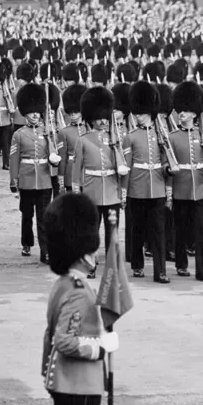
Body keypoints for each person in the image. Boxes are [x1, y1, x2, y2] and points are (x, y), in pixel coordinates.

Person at [41, 192, 119, 405]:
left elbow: (49, 334)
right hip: (78, 383)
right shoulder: (78, 293)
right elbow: (63, 340)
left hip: (65, 381)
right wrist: (100, 348)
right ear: (83, 253)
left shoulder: (64, 284)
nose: (94, 255)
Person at [72, 87, 128, 272]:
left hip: (112, 193)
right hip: (91, 192)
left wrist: (123, 191)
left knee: (112, 231)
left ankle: (112, 265)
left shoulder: (116, 138)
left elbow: (122, 167)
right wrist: (76, 191)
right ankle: (90, 264)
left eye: (105, 117)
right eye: (99, 117)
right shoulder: (83, 140)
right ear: (91, 118)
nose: (103, 121)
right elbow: (77, 167)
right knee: (91, 232)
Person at [124, 81, 170, 284]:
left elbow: (168, 160)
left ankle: (160, 271)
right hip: (137, 188)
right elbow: (126, 167)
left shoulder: (162, 134)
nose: (138, 116)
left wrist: (168, 187)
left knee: (159, 231)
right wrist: (125, 192)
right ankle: (137, 264)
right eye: (136, 113)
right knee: (137, 230)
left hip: (158, 188)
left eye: (141, 112)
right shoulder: (131, 137)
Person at [169, 81, 203, 282]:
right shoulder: (172, 137)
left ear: (195, 113)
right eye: (181, 110)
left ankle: (202, 269)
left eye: (187, 110)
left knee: (201, 232)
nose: (182, 114)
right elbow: (166, 163)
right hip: (181, 188)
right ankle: (181, 264)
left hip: (202, 188)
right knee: (181, 230)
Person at [9, 82, 52, 263]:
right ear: (25, 112)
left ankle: (46, 251)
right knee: (27, 215)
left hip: (44, 179)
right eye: (31, 111)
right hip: (26, 180)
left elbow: (54, 154)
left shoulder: (48, 132)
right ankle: (27, 243)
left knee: (43, 218)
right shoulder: (19, 134)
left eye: (37, 111)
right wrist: (14, 181)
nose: (35, 114)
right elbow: (14, 160)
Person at [58, 84, 87, 192]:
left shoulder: (90, 130)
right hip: (70, 173)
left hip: (88, 174)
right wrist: (61, 180)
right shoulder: (64, 132)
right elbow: (62, 159)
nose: (73, 114)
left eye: (76, 111)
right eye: (70, 112)